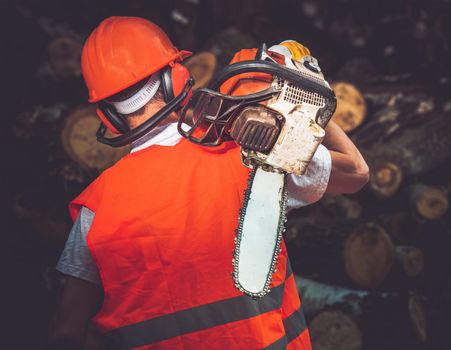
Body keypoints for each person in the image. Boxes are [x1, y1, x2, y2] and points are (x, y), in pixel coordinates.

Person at [50, 16, 369, 350]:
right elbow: (357, 173)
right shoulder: (247, 153)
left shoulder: (94, 208)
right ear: (177, 76)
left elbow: (65, 332)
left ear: (107, 115)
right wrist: (308, 100)